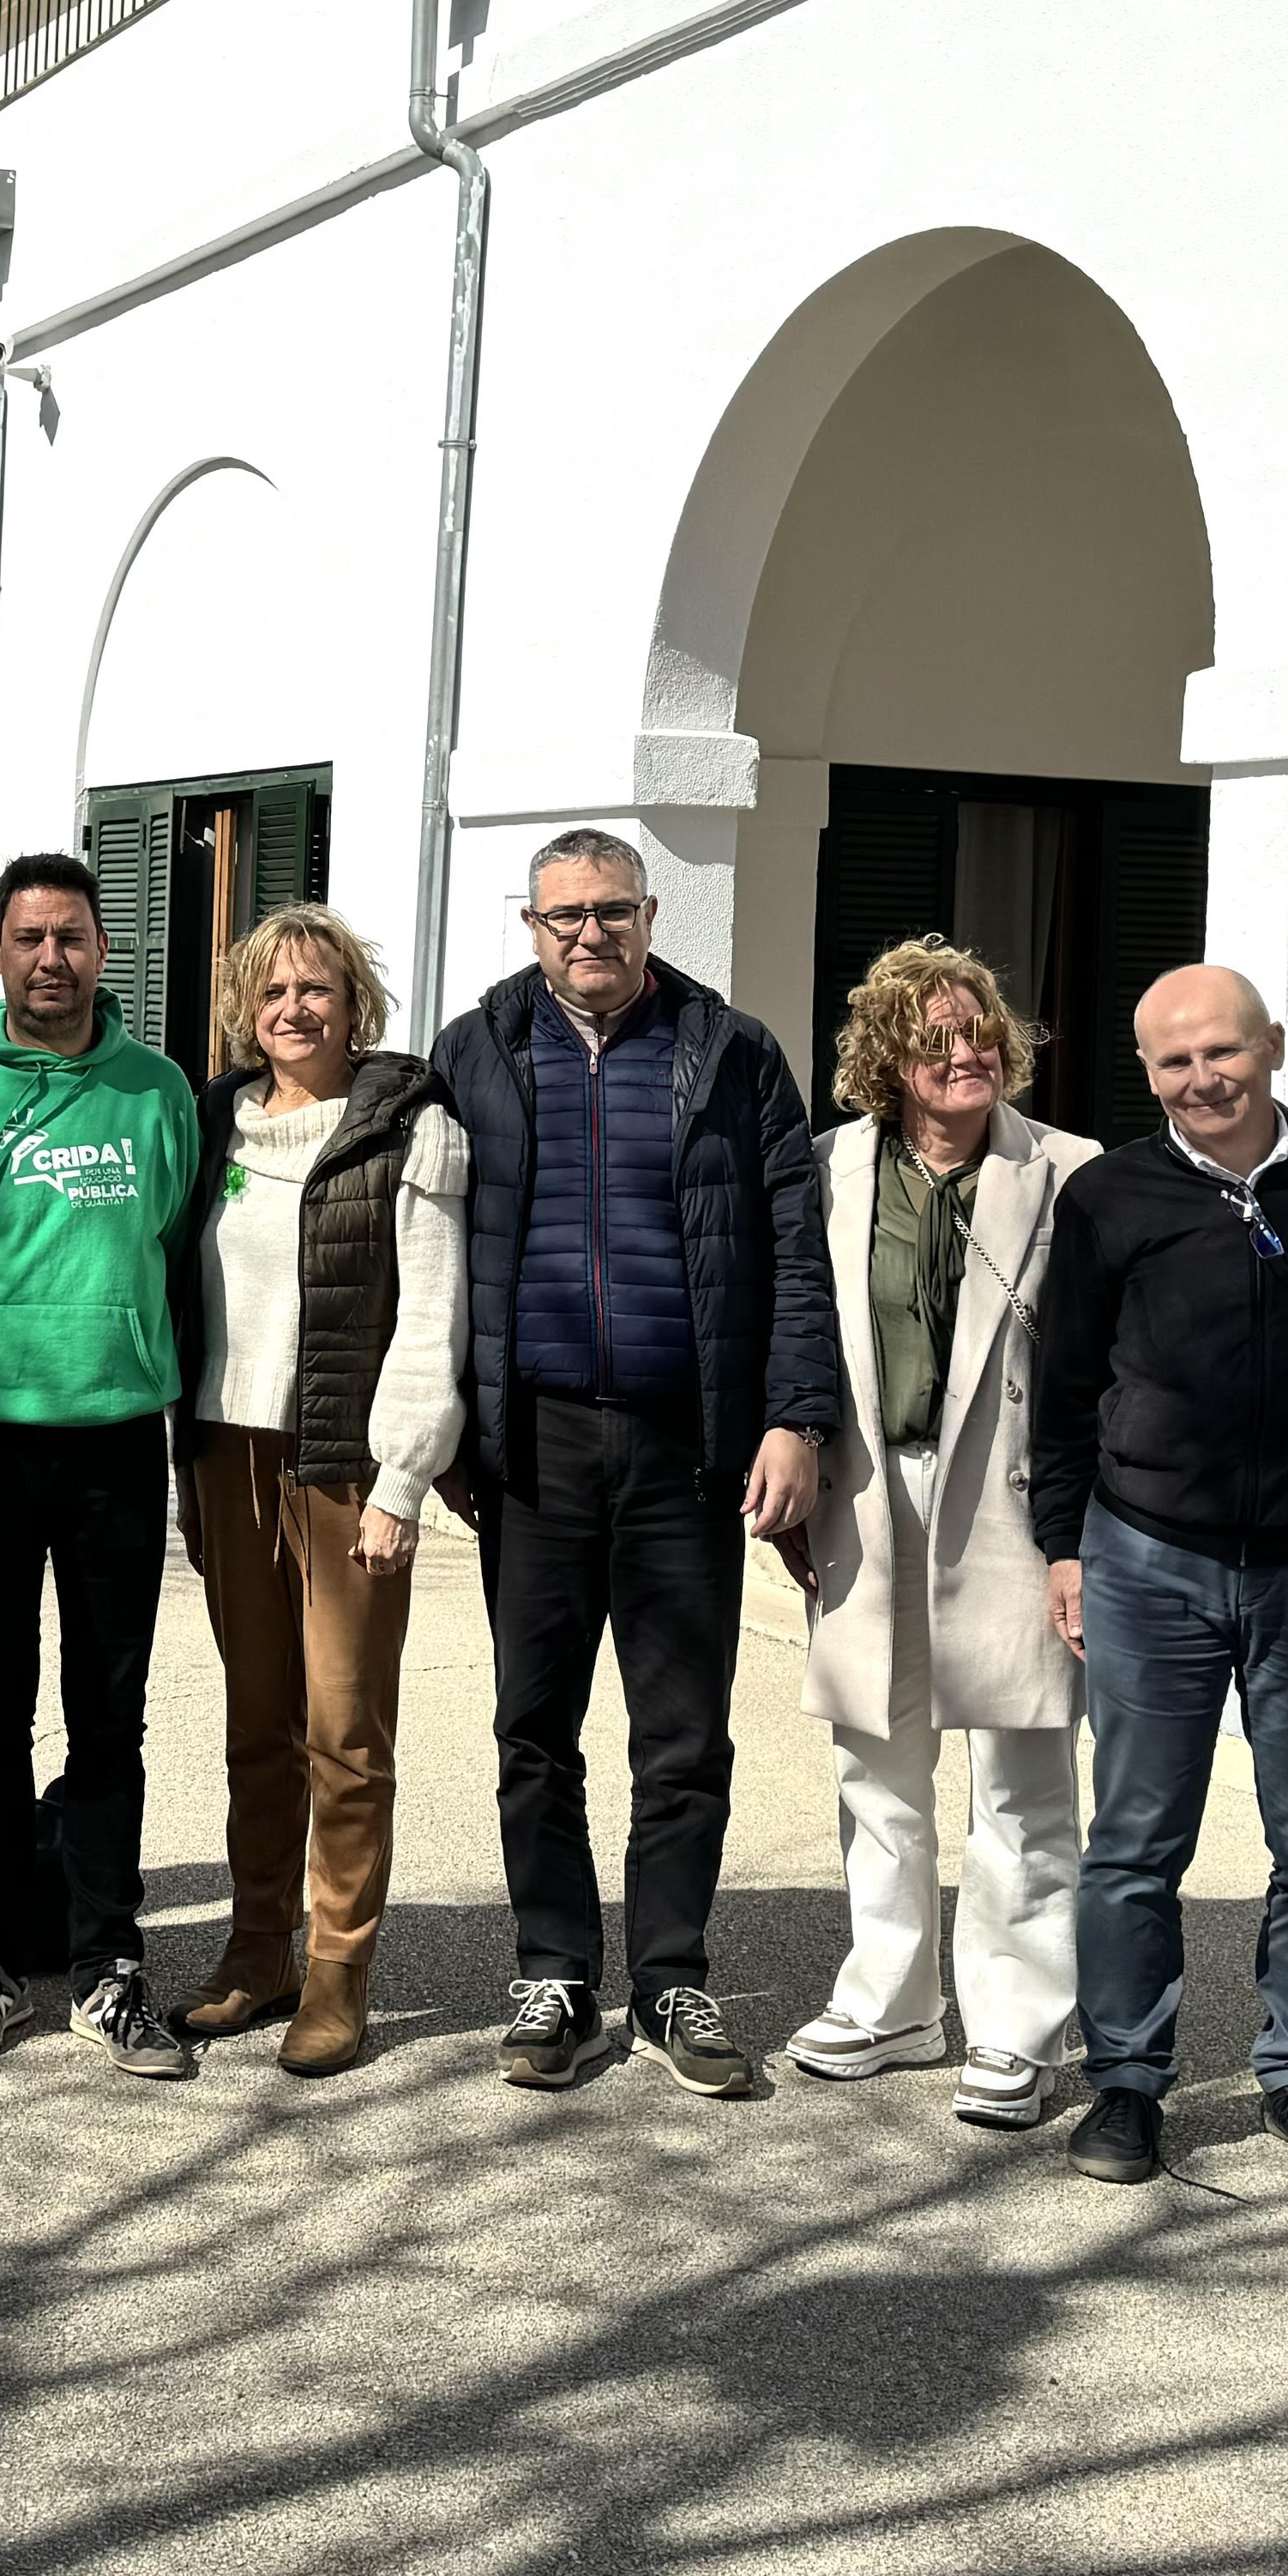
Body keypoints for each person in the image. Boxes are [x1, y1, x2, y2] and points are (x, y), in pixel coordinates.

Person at [428, 827, 836, 2096]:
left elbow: (794, 1250)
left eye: (610, 911)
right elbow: (425, 1248)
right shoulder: (478, 1050)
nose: (588, 935)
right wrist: (442, 1424)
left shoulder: (734, 1053)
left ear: (649, 915)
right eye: (564, 916)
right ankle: (553, 1975)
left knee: (683, 1733)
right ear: (531, 925)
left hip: (684, 1445)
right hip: (535, 1445)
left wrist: (797, 1419)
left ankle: (671, 1980)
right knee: (534, 1727)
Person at [1036, 964, 1288, 2192]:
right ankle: (1126, 2084)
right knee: (1135, 1842)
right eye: (1174, 1062)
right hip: (1147, 1557)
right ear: (1147, 1073)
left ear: (1273, 1046)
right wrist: (1063, 1545)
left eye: (1222, 1053)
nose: (1203, 1079)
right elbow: (1066, 1384)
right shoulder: (1107, 1198)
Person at [783, 938, 1097, 2133]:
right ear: (889, 1059)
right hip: (872, 1486)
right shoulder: (830, 1168)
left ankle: (1016, 2027)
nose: (965, 1055)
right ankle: (893, 2000)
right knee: (878, 1754)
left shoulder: (1070, 1171)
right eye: (935, 1039)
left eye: (978, 1033)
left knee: (1022, 1767)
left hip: (1014, 1498)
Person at [0, 852, 207, 2079]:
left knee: (110, 1714)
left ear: (101, 949)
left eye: (72, 938)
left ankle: (108, 1966)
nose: (51, 960)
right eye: (28, 939)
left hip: (117, 1439)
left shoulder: (157, 1091)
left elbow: (180, 1240)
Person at [165, 904, 464, 2078]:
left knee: (346, 1733)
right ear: (248, 1008)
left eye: (319, 991)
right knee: (258, 1727)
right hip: (227, 1461)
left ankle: (340, 1975)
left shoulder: (408, 1127)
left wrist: (405, 1478)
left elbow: (435, 1318)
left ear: (356, 1005)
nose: (295, 1010)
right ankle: (256, 1952)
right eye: (275, 992)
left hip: (343, 1466)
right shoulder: (213, 1124)